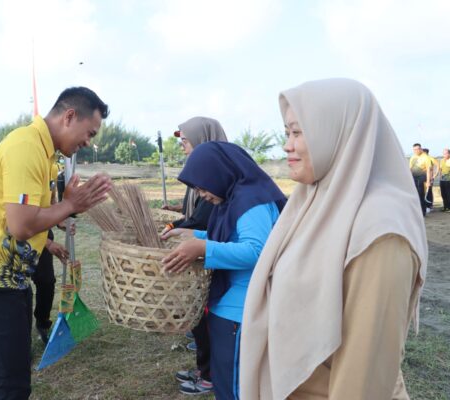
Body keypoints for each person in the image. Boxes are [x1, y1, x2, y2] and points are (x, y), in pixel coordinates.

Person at [239, 78, 428, 399]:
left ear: (340, 132)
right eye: (287, 133)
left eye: (298, 133)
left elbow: (362, 381)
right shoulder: (314, 203)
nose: (287, 145)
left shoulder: (381, 231)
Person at [0, 87, 112, 399]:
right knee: (9, 386)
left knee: (16, 380)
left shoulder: (46, 153)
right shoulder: (26, 146)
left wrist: (65, 212)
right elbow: (21, 224)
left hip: (12, 281)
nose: (88, 142)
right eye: (89, 132)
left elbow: (32, 213)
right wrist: (68, 206)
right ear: (69, 117)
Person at [162, 141, 286, 399]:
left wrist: (202, 248)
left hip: (242, 311)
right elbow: (232, 236)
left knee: (236, 386)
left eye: (201, 186)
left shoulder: (252, 202)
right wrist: (191, 233)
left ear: (217, 172)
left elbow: (256, 251)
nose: (201, 194)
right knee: (225, 380)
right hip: (230, 307)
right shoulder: (236, 198)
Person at [161, 116, 228, 396]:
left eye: (185, 141)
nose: (182, 147)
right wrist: (177, 220)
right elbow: (196, 214)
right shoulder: (203, 172)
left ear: (203, 140)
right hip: (203, 250)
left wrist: (176, 227)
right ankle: (204, 369)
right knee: (200, 320)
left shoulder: (219, 177)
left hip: (211, 257)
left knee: (206, 318)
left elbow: (203, 220)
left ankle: (210, 375)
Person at [31, 163, 70, 343]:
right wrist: (47, 243)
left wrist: (59, 219)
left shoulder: (52, 167)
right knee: (17, 290)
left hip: (43, 231)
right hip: (17, 237)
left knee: (46, 281)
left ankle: (42, 323)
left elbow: (51, 200)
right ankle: (19, 338)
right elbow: (18, 217)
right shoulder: (26, 165)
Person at [409, 143, 432, 216]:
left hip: (421, 177)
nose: (415, 151)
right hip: (413, 177)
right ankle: (416, 211)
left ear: (420, 149)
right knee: (414, 195)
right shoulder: (413, 157)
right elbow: (410, 169)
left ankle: (422, 212)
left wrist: (428, 181)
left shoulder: (426, 157)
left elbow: (428, 170)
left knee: (420, 194)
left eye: (417, 149)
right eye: (414, 149)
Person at [422, 148, 439, 213]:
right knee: (424, 191)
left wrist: (435, 175)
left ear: (425, 152)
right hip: (423, 178)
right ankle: (425, 205)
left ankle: (429, 206)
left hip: (429, 178)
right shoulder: (423, 158)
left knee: (428, 191)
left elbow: (438, 165)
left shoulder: (430, 158)